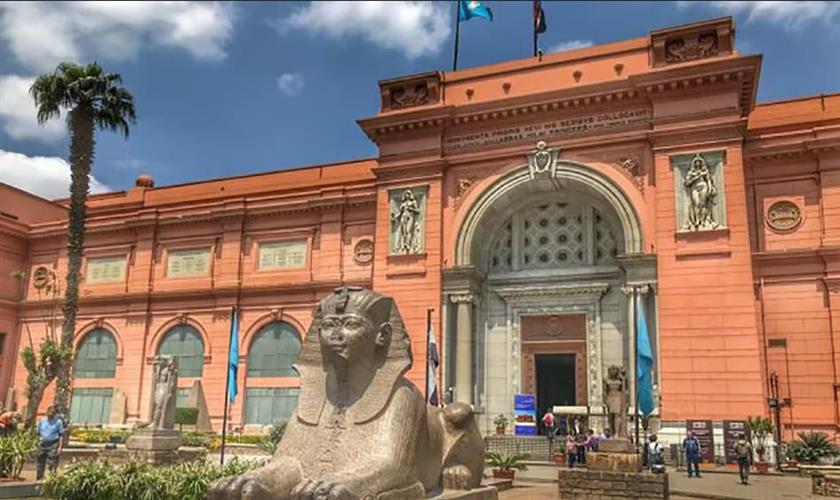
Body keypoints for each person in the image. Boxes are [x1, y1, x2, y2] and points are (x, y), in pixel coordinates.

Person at [36, 406, 64, 480]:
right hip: (42, 443)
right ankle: (39, 476)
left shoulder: (58, 422)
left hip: (53, 444)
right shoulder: (42, 421)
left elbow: (61, 435)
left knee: (52, 461)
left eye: (52, 413)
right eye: (49, 413)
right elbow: (38, 433)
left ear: (55, 414)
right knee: (40, 460)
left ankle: (51, 477)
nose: (50, 415)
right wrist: (37, 442)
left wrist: (60, 447)